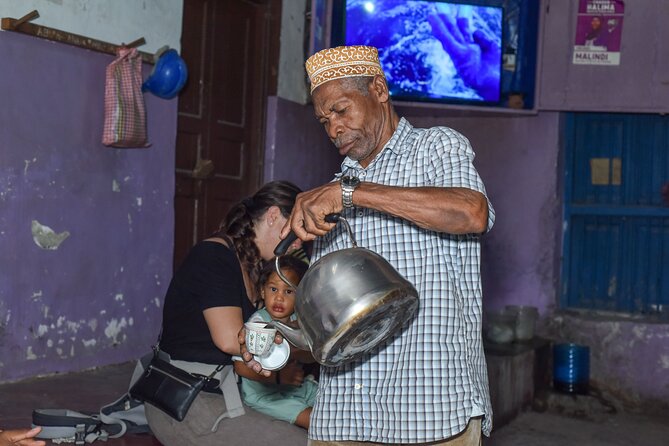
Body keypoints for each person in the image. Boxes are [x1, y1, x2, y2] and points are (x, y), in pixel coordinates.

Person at [240, 45, 495, 445]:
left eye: (341, 110)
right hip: (344, 417)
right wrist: (282, 341)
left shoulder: (435, 148)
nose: (333, 128)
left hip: (429, 412)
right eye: (324, 120)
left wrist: (351, 193)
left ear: (377, 90)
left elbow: (472, 212)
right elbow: (334, 332)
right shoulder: (330, 198)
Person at [146, 180, 309, 446]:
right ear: (273, 216)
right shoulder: (214, 257)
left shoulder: (255, 266)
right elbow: (230, 340)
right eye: (299, 231)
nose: (300, 243)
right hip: (188, 401)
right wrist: (301, 346)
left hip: (227, 391)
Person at [235, 256, 318, 429]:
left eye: (288, 292)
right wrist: (278, 377)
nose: (279, 298)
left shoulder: (297, 319)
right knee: (317, 421)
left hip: (297, 387)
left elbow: (310, 356)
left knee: (336, 408)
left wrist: (301, 350)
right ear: (263, 291)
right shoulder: (258, 324)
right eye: (273, 289)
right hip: (266, 396)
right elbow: (240, 367)